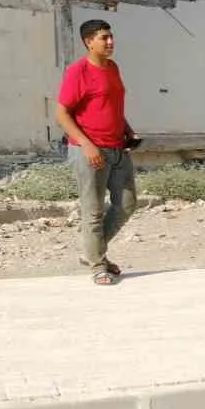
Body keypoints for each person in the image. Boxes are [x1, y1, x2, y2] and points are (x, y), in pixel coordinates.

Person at [56, 18, 138, 286]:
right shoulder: (77, 71)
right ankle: (97, 263)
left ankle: (92, 251)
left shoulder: (113, 68)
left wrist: (128, 130)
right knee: (92, 211)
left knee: (126, 203)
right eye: (104, 38)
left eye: (111, 36)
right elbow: (62, 113)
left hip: (117, 147)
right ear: (88, 42)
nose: (111, 42)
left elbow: (112, 107)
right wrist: (87, 144)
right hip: (89, 150)